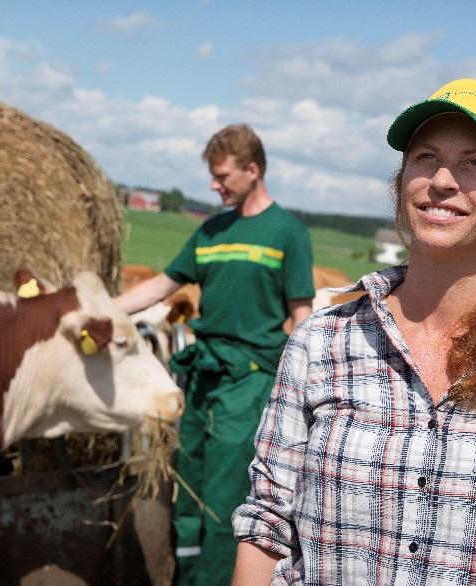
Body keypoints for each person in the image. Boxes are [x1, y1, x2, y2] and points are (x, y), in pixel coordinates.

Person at [231, 79, 476, 585]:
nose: (441, 180)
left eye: (474, 164)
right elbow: (268, 522)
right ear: (401, 180)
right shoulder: (321, 343)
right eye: (425, 157)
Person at [114, 123, 315, 586]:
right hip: (201, 379)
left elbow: (301, 317)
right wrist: (101, 309)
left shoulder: (287, 232)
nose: (213, 185)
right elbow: (164, 285)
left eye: (222, 175)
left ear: (253, 170)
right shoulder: (210, 231)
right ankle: (184, 577)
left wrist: (307, 393)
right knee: (188, 491)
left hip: (248, 384)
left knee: (226, 497)